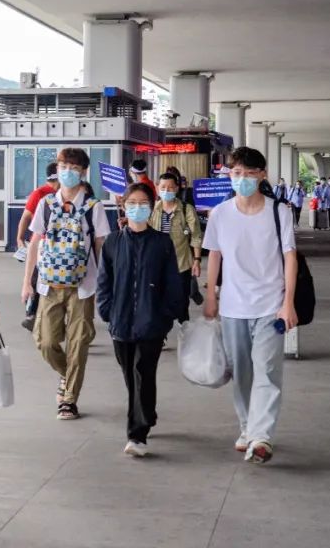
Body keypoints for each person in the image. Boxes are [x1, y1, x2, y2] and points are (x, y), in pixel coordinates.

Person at [203, 147, 297, 465]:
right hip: (233, 307)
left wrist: (288, 302)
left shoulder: (279, 212)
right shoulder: (220, 214)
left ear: (262, 175)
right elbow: (214, 255)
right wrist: (211, 296)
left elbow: (290, 257)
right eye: (236, 173)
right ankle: (247, 427)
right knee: (242, 373)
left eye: (248, 173)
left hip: (271, 306)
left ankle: (261, 436)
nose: (241, 179)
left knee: (267, 371)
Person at [97, 182, 187, 457]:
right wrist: (108, 311)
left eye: (143, 203)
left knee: (143, 374)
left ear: (151, 206)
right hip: (120, 323)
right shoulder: (113, 242)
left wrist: (166, 315)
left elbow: (172, 282)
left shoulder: (162, 243)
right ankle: (146, 412)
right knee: (130, 376)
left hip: (152, 324)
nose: (137, 208)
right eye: (132, 203)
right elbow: (104, 282)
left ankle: (137, 435)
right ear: (123, 206)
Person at [22, 147, 111, 420]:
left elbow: (100, 245)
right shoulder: (46, 204)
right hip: (49, 284)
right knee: (45, 341)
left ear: (83, 172)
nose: (68, 172)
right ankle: (67, 373)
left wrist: (104, 283)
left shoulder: (94, 207)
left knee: (78, 342)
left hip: (83, 285)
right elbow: (35, 242)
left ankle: (69, 399)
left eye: (74, 168)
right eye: (63, 167)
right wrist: (27, 282)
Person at [149, 172, 202, 308]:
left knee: (181, 300)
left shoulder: (186, 209)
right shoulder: (151, 210)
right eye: (163, 187)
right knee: (158, 300)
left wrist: (197, 260)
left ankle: (182, 318)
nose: (166, 190)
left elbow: (196, 236)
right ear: (157, 188)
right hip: (157, 263)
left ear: (177, 188)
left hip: (181, 263)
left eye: (171, 187)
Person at [15, 162, 60, 251]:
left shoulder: (61, 194)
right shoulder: (39, 193)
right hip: (41, 244)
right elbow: (25, 217)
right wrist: (20, 238)